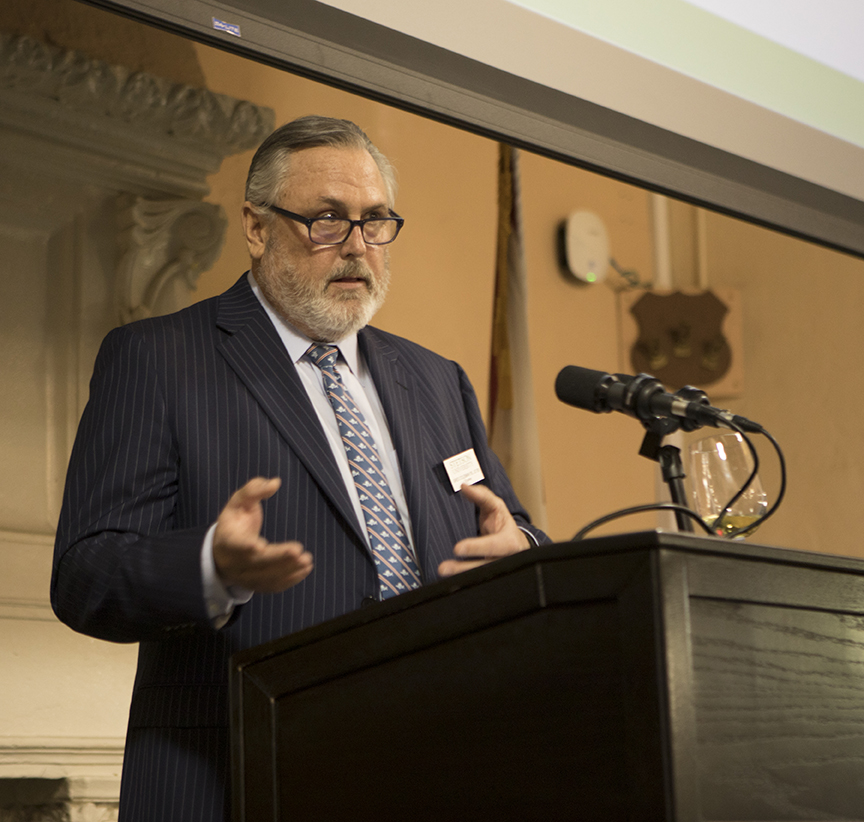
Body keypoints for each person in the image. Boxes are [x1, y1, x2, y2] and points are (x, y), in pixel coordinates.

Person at [51, 115, 548, 821]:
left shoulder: (437, 380)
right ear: (256, 228)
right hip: (240, 776)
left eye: (375, 223)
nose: (356, 248)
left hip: (430, 769)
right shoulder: (158, 359)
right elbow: (85, 574)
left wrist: (520, 549)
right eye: (325, 221)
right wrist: (210, 565)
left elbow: (514, 527)